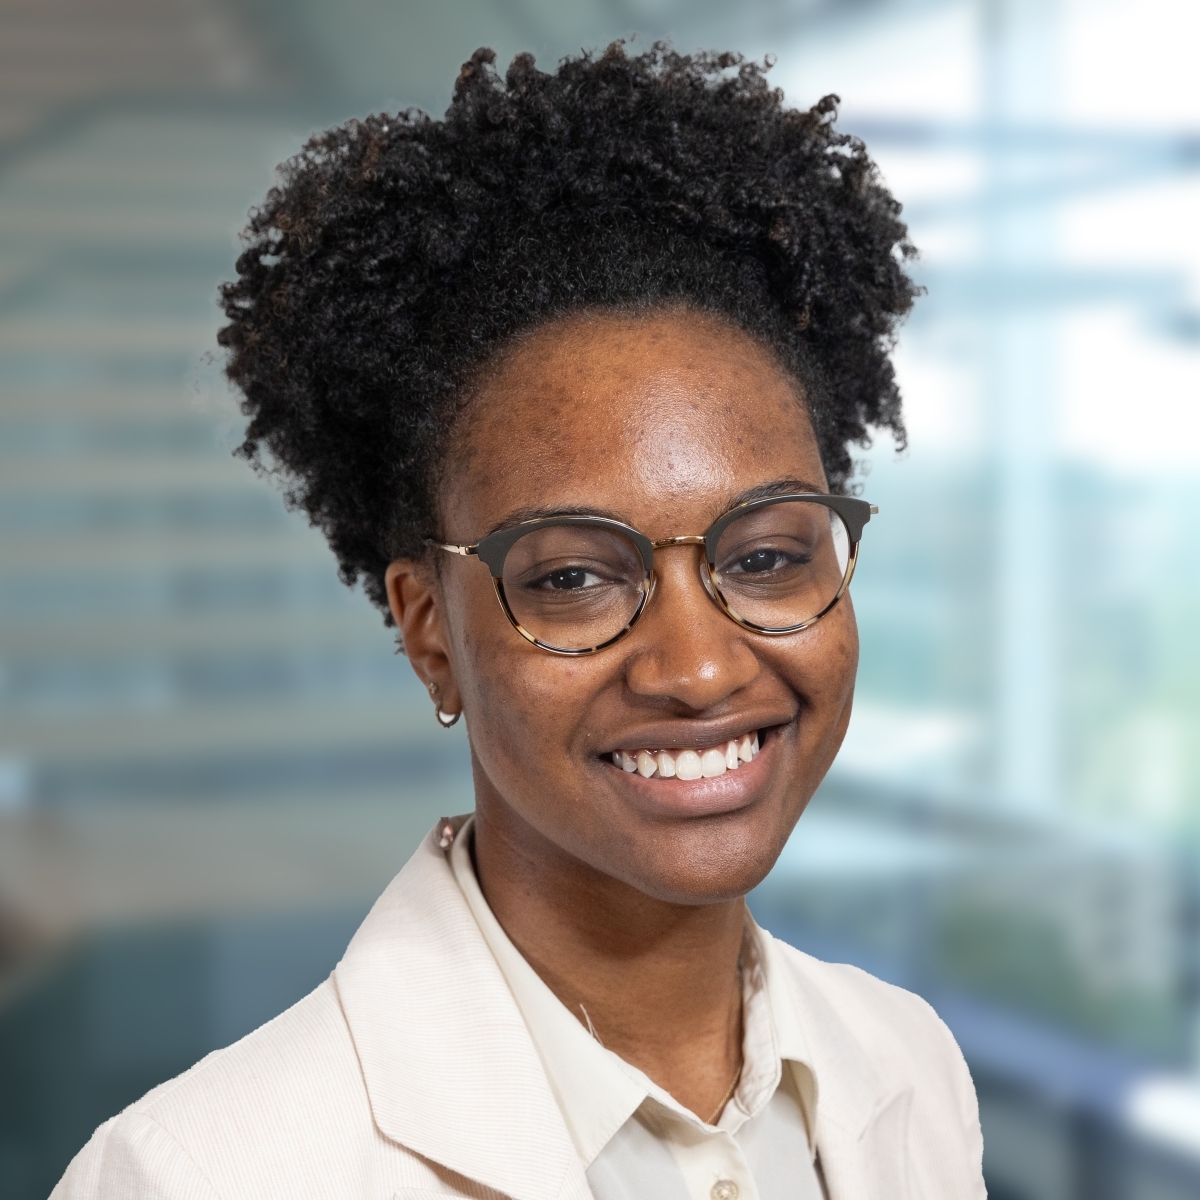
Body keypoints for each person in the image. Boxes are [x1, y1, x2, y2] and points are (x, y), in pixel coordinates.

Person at [53, 44, 984, 1200]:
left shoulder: (910, 1067)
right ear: (428, 629)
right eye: (574, 579)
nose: (697, 667)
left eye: (765, 556)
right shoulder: (199, 1175)